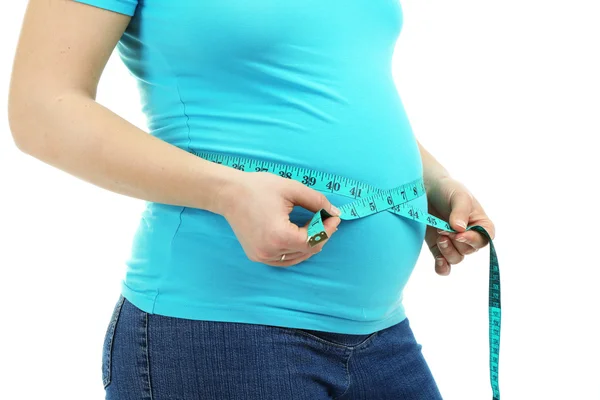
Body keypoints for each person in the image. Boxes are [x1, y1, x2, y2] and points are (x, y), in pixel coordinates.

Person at [8, 0, 496, 398]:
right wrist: (227, 190)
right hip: (222, 333)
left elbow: (337, 88)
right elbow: (40, 109)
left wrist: (433, 184)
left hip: (382, 334)